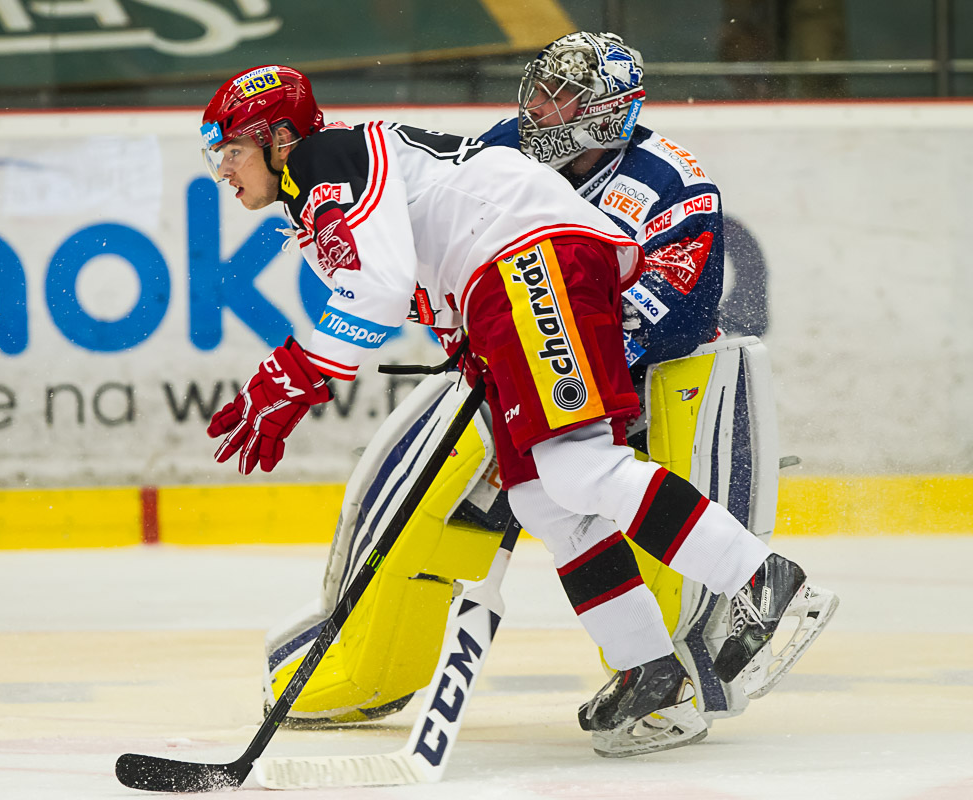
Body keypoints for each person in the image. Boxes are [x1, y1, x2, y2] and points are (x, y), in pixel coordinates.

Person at [200, 62, 831, 758]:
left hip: (530, 260)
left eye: (233, 149)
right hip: (500, 285)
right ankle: (648, 668)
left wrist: (290, 377)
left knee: (580, 466)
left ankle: (763, 579)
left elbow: (377, 289)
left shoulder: (325, 159)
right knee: (542, 497)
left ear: (280, 138)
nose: (223, 170)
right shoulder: (316, 190)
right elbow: (417, 271)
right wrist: (473, 347)